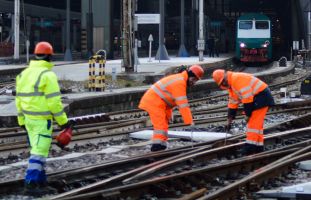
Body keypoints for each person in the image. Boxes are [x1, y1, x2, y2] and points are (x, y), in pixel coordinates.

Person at [15, 41, 73, 196]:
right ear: (49, 57)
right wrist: (63, 122)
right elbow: (54, 103)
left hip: (28, 121)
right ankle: (31, 183)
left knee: (37, 150)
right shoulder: (47, 75)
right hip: (41, 121)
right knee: (39, 152)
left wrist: (21, 121)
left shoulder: (22, 74)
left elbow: (18, 101)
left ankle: (41, 181)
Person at [139, 65, 204, 152]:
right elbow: (183, 105)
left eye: (196, 80)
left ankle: (161, 145)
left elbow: (168, 99)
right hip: (154, 102)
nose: (194, 82)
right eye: (194, 79)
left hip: (158, 102)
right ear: (190, 76)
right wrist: (189, 121)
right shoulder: (180, 82)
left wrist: (169, 115)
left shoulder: (180, 79)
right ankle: (156, 148)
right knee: (160, 126)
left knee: (163, 124)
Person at [212, 69, 274, 155]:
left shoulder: (236, 79)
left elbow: (247, 98)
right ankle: (258, 147)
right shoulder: (232, 86)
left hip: (261, 97)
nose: (223, 84)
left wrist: (247, 115)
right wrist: (229, 121)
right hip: (257, 98)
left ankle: (250, 148)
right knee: (257, 126)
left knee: (253, 124)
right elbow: (232, 104)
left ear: (225, 78)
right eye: (222, 83)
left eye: (223, 82)